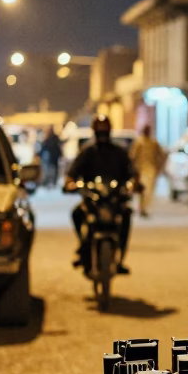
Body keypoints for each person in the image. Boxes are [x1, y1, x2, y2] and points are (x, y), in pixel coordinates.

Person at [66, 116, 135, 274]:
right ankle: (83, 248)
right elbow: (72, 174)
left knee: (126, 216)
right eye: (100, 131)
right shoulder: (87, 152)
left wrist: (133, 185)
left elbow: (131, 174)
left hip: (115, 199)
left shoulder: (119, 153)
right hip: (93, 199)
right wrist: (71, 184)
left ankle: (119, 258)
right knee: (77, 214)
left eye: (105, 131)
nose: (102, 134)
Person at [130, 124, 166, 217]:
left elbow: (161, 155)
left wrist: (159, 166)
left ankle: (144, 208)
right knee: (142, 190)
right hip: (141, 170)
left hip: (151, 169)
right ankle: (141, 208)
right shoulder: (139, 142)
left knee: (149, 190)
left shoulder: (153, 143)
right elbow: (133, 156)